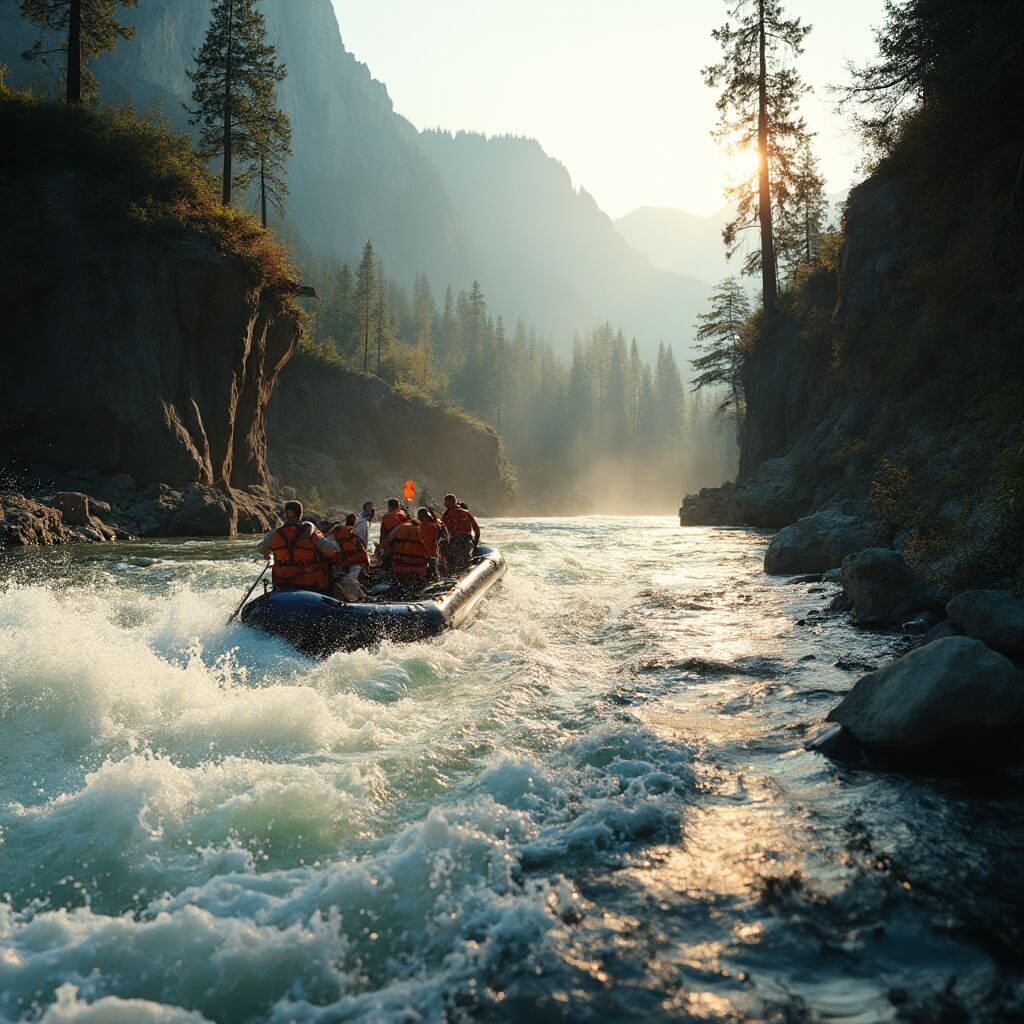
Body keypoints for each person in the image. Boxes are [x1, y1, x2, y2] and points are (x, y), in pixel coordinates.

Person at [257, 500, 339, 594]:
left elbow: (261, 548)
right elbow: (331, 551)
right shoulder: (311, 532)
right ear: (301, 514)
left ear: (286, 515)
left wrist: (270, 554)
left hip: (283, 584)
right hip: (311, 586)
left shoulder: (275, 533)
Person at [387, 517, 430, 594]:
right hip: (419, 566)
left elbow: (388, 540)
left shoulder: (400, 527)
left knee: (400, 587)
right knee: (418, 588)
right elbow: (427, 547)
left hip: (401, 565)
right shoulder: (421, 530)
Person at [440, 493, 480, 574]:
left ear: (446, 503)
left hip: (455, 540)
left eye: (445, 503)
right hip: (468, 539)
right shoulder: (466, 512)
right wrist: (475, 542)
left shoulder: (446, 515)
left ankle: (451, 573)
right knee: (466, 560)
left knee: (452, 559)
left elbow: (443, 531)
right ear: (455, 501)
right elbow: (476, 529)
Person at [326, 513, 370, 581]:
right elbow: (362, 551)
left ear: (346, 521)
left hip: (339, 563)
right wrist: (367, 565)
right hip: (352, 563)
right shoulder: (354, 536)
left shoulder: (336, 532)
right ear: (355, 523)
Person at [416, 506, 448, 580]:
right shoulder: (436, 524)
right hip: (435, 555)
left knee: (431, 575)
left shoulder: (424, 527)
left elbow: (427, 542)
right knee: (435, 574)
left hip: (428, 556)